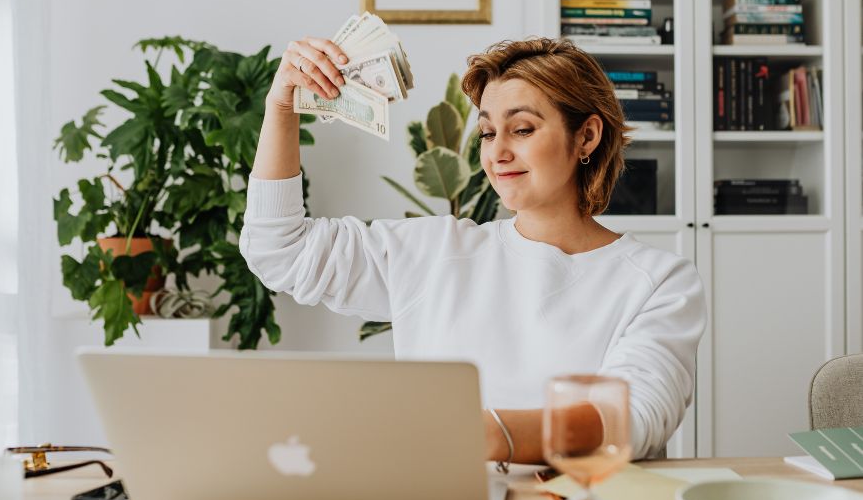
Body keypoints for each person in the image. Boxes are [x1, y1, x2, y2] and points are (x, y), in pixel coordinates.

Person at [240, 35, 706, 466]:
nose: (497, 152)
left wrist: (481, 433)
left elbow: (636, 417)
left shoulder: (659, 280)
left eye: (521, 129)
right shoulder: (434, 252)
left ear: (586, 136)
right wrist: (281, 109)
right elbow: (279, 250)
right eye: (487, 133)